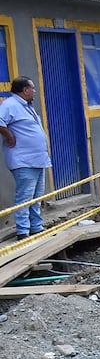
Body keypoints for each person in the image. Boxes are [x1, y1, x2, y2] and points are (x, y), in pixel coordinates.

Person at [0, 76, 53, 239]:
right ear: (24, 90)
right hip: (23, 160)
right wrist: (9, 136)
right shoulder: (10, 105)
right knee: (25, 196)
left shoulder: (27, 106)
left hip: (37, 159)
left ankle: (35, 226)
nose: (34, 92)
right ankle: (23, 231)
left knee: (37, 196)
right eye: (33, 88)